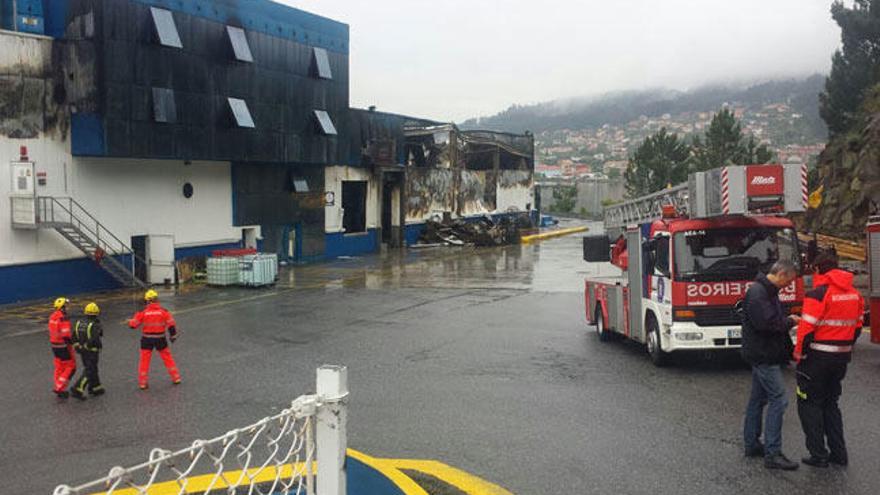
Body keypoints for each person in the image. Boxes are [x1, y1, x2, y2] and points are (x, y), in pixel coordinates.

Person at [794, 253, 864, 468]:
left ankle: (818, 455)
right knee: (831, 404)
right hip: (841, 357)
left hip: (816, 358)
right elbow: (858, 327)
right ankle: (839, 454)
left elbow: (806, 329)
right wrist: (844, 346)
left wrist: (799, 353)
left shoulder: (818, 294)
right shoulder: (855, 294)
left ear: (817, 270)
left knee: (809, 403)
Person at [740, 260, 801, 470]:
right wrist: (790, 321)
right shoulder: (760, 293)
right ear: (781, 274)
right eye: (789, 280)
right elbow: (766, 324)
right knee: (779, 400)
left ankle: (752, 443)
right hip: (764, 354)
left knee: (757, 400)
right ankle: (773, 453)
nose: (788, 284)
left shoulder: (765, 291)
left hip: (762, 352)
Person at [128, 289, 181, 390]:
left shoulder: (143, 312)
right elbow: (171, 325)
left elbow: (133, 325)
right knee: (167, 358)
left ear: (147, 301)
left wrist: (130, 322)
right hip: (160, 338)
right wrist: (173, 336)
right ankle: (176, 378)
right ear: (157, 300)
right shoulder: (164, 312)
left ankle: (143, 383)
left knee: (144, 361)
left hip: (147, 339)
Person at [70, 302, 105, 400]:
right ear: (96, 313)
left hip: (82, 351)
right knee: (90, 370)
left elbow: (73, 337)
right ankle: (77, 389)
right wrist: (95, 346)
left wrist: (78, 347)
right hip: (91, 351)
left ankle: (95, 388)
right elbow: (95, 339)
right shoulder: (95, 324)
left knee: (92, 368)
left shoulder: (79, 323)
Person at [48, 297, 76, 399]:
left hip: (54, 346)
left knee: (59, 367)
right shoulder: (63, 317)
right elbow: (66, 335)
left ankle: (58, 386)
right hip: (63, 346)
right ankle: (59, 388)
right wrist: (74, 343)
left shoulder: (52, 316)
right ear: (62, 307)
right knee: (71, 367)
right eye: (66, 306)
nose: (67, 308)